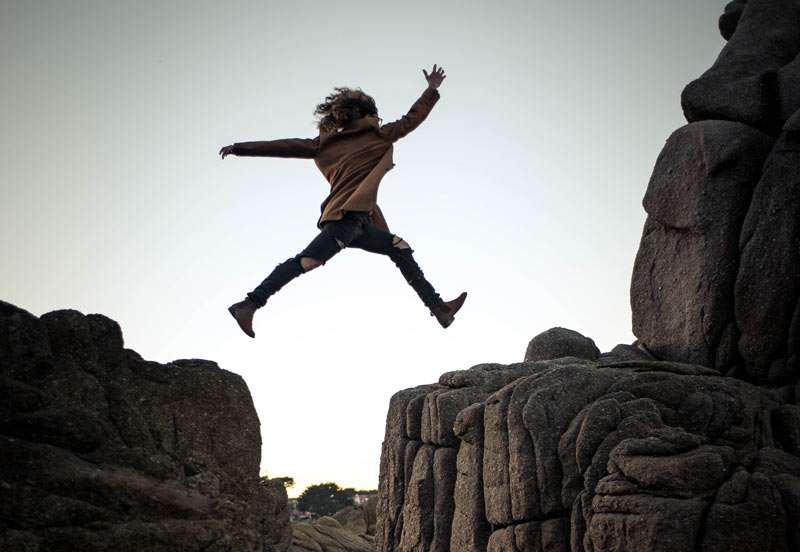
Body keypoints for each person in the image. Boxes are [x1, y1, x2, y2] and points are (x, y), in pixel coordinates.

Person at [220, 63, 467, 338]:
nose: (378, 117)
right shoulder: (376, 135)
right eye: (374, 112)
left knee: (400, 248)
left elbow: (283, 145)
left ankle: (440, 309)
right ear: (366, 114)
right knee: (307, 261)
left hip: (361, 221)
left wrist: (240, 148)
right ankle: (250, 304)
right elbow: (413, 118)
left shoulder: (326, 143)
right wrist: (431, 89)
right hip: (344, 219)